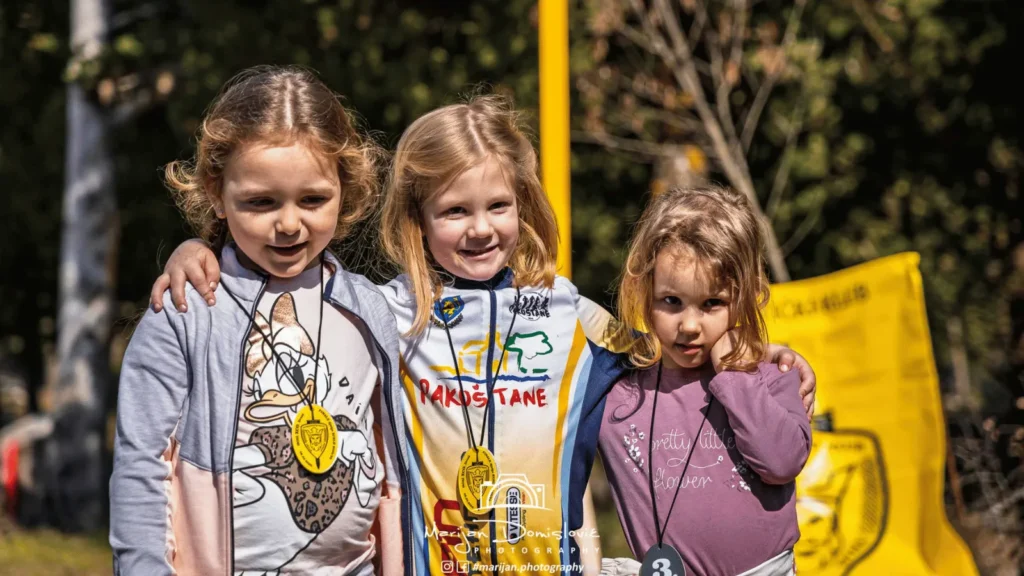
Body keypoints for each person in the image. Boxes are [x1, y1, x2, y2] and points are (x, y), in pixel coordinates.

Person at [148, 97, 817, 576]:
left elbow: (677, 345)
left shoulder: (574, 317)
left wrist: (763, 359)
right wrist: (198, 249)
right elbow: (285, 294)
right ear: (418, 217)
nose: (479, 229)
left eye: (497, 206)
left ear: (523, 206)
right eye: (454, 211)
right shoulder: (383, 314)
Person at [110, 65, 406, 576]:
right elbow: (141, 466)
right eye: (260, 202)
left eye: (313, 199)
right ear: (216, 191)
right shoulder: (184, 310)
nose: (289, 223)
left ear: (346, 186)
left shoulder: (372, 309)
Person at [598, 186, 811, 576]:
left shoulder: (771, 377)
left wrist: (735, 370)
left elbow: (781, 462)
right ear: (645, 293)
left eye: (712, 303)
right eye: (671, 302)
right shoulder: (616, 390)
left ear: (744, 296)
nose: (690, 326)